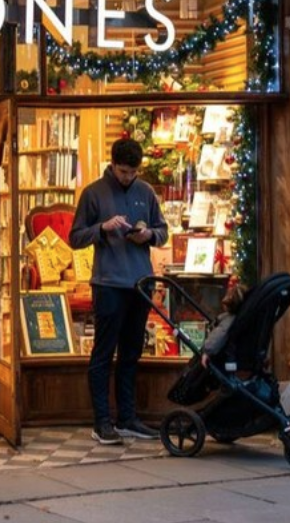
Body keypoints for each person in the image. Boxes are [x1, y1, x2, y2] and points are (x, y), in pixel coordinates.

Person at [69, 136, 168, 445]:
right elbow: (75, 237)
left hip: (140, 283)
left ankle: (127, 419)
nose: (128, 177)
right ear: (112, 165)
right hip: (108, 283)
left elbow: (163, 232)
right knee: (103, 353)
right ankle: (102, 422)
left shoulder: (146, 191)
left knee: (131, 353)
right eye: (124, 171)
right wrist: (103, 228)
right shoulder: (93, 193)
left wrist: (148, 234)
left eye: (133, 172)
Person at [201, 281, 248, 368]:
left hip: (228, 361)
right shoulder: (242, 318)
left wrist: (207, 352)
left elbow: (219, 335)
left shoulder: (229, 320)